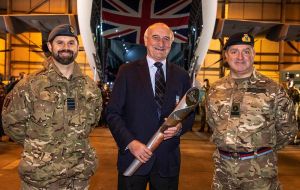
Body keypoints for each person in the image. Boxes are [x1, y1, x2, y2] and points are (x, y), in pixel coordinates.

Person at [2, 24, 102, 189]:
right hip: (41, 177)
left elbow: (92, 123)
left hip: (78, 176)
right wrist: (40, 148)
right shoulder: (30, 85)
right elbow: (12, 125)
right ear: (50, 46)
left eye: (71, 43)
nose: (65, 47)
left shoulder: (90, 88)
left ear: (77, 47)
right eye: (60, 42)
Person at [106, 23, 195, 190]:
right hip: (133, 158)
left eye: (166, 39)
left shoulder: (182, 76)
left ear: (171, 43)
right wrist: (131, 143)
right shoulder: (127, 72)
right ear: (146, 40)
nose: (161, 44)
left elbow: (190, 113)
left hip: (167, 162)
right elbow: (112, 113)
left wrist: (180, 127)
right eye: (156, 37)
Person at [205, 32, 298, 189]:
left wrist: (263, 149)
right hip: (223, 172)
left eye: (246, 51)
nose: (240, 57)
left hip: (260, 173)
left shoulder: (273, 89)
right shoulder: (215, 90)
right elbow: (213, 123)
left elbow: (288, 129)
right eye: (234, 51)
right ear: (226, 55)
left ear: (253, 54)